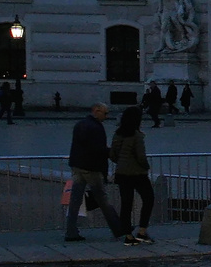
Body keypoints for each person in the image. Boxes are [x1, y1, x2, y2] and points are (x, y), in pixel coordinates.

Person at [63, 103, 124, 242]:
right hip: (91, 168)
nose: (106, 116)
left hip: (77, 166)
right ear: (96, 111)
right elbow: (99, 150)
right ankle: (118, 228)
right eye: (105, 113)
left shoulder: (80, 124)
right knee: (102, 199)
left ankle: (70, 231)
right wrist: (111, 155)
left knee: (75, 200)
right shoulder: (96, 128)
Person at [110, 106, 155, 245]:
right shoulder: (137, 135)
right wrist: (146, 166)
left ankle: (128, 236)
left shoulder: (117, 134)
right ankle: (142, 231)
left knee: (126, 204)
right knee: (149, 198)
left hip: (121, 173)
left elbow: (112, 155)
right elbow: (141, 156)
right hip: (137, 173)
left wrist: (122, 162)